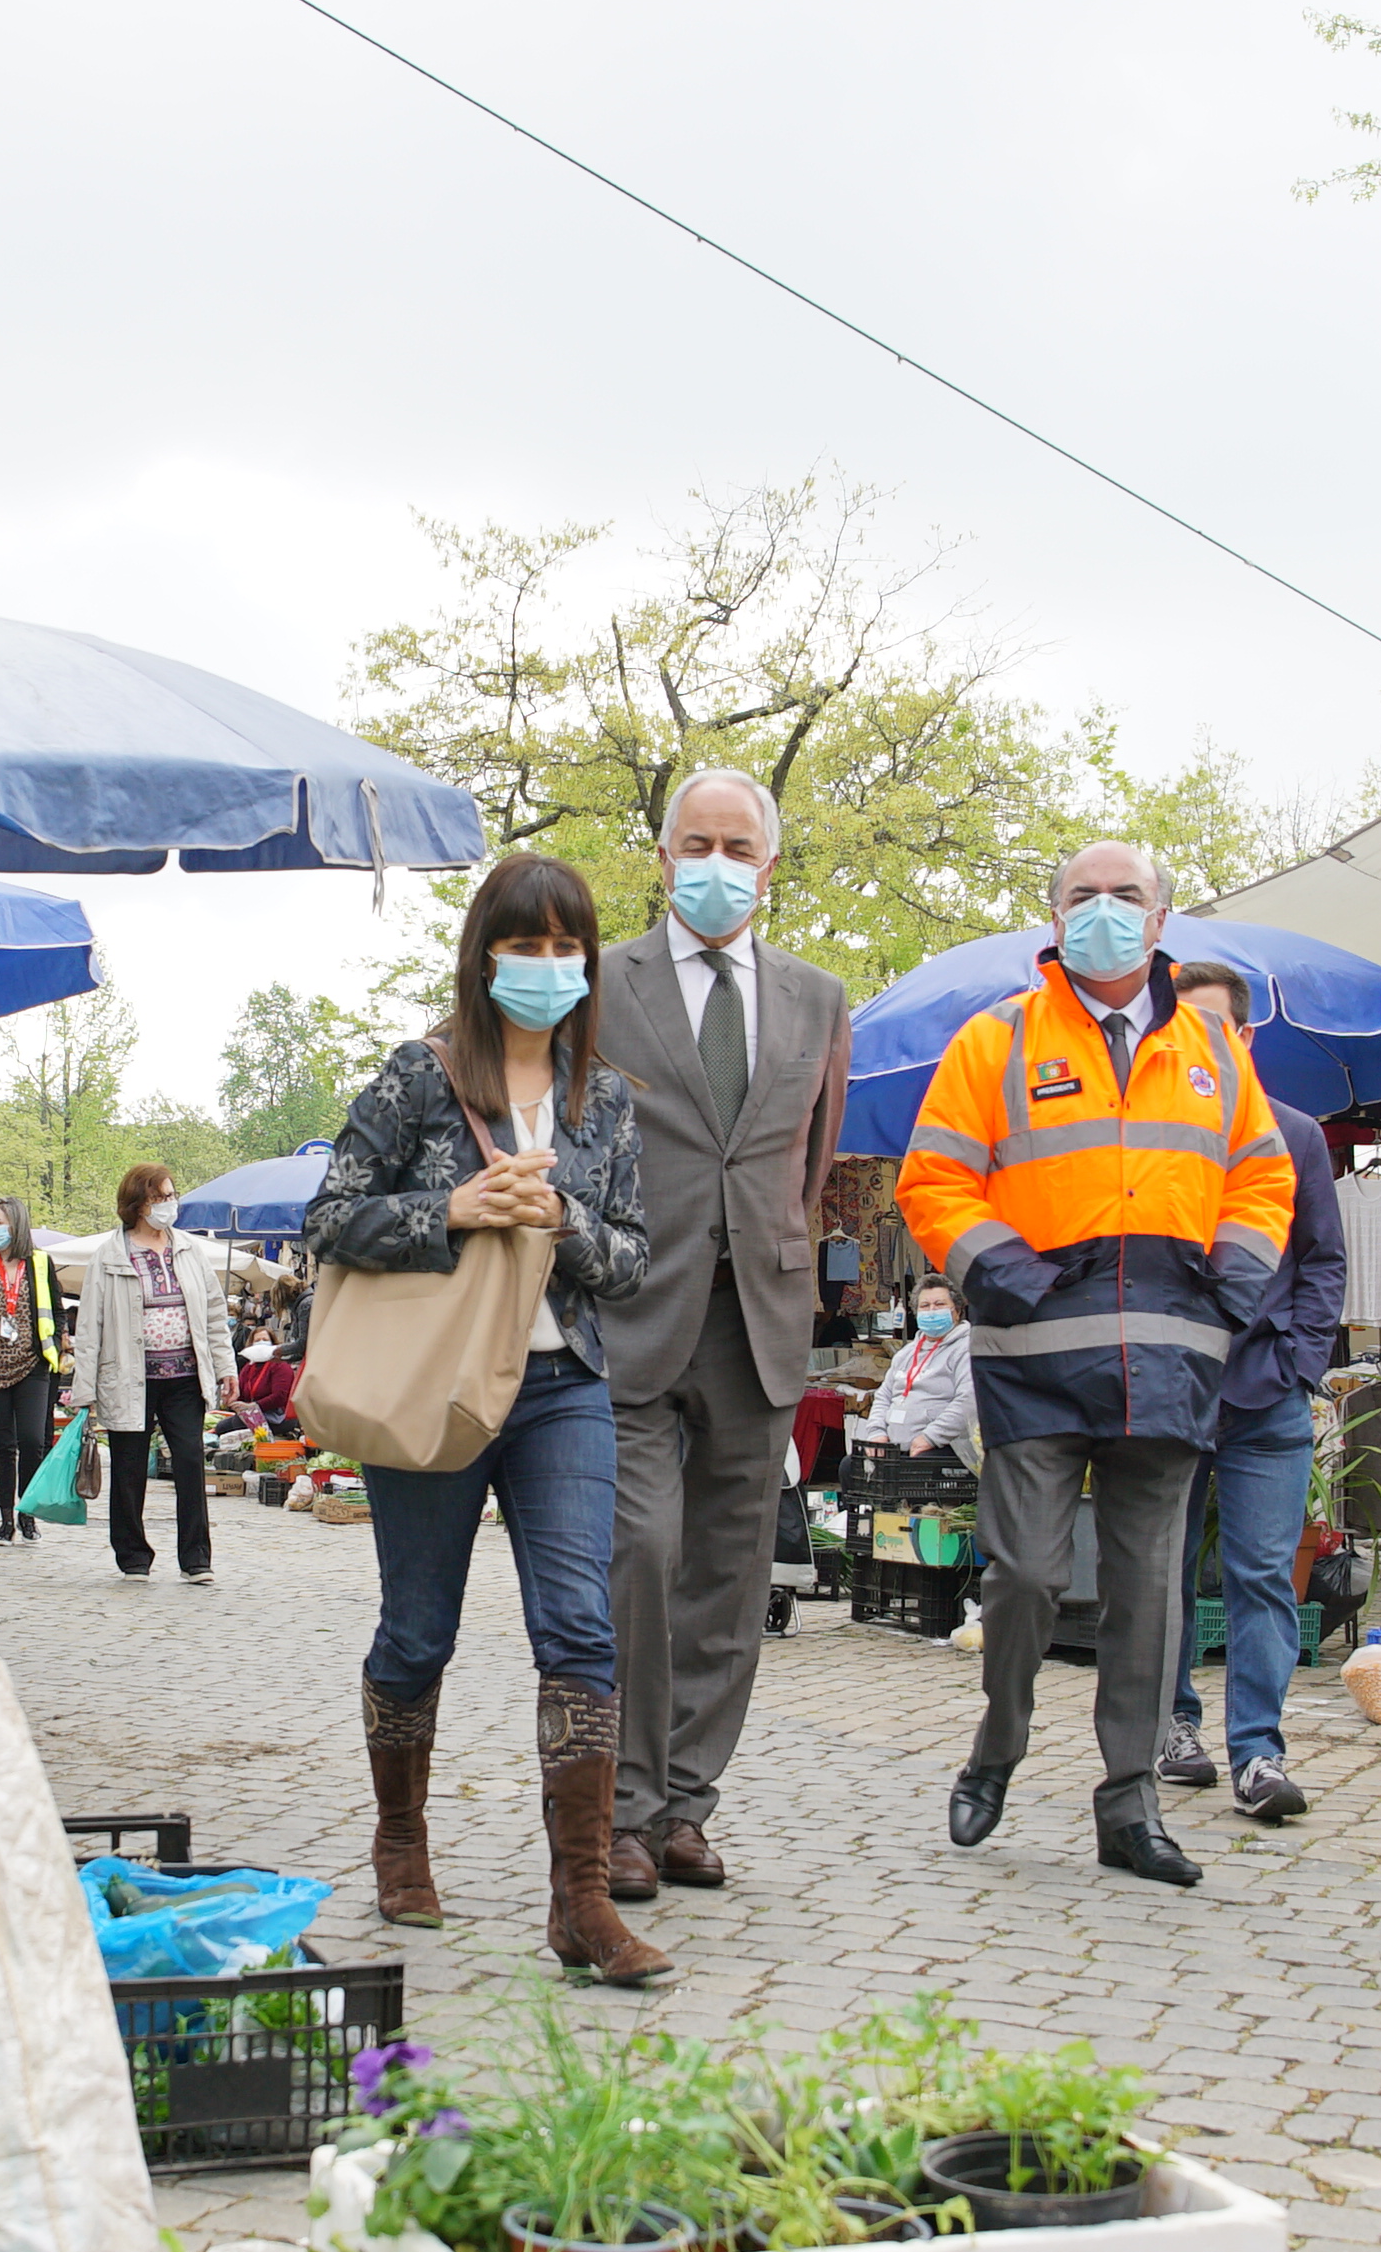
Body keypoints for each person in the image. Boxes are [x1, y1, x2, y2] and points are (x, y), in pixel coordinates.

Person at [901, 842, 1294, 1887]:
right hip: (1033, 1359)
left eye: (1127, 897)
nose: (1105, 912)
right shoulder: (997, 1040)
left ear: (1161, 923)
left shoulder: (1214, 1054)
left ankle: (1129, 1804)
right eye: (1085, 896)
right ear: (1054, 914)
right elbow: (932, 1181)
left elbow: (1264, 1181)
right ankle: (1000, 1741)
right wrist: (1012, 1279)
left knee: (1147, 1594)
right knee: (1026, 1574)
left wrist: (1232, 1291)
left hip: (1170, 1359)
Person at [309, 855, 666, 1983]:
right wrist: (451, 1210)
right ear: (485, 954)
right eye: (528, 945)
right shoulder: (417, 1077)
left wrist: (560, 1218)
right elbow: (327, 1217)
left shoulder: (603, 1096)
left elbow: (633, 1258)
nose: (549, 967)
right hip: (437, 1380)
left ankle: (581, 1903)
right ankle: (401, 1837)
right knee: (419, 1629)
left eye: (569, 949)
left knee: (580, 1628)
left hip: (562, 1389)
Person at [591, 769, 852, 1900]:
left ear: (769, 864)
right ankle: (623, 1809)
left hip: (759, 1319)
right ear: (660, 859)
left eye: (736, 847)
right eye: (693, 844)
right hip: (630, 1311)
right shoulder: (601, 984)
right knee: (637, 1554)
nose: (714, 864)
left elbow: (809, 1159)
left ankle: (688, 1804)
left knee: (731, 1576)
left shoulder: (817, 999)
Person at [1144, 961, 1346, 1826]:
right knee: (1163, 1576)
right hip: (1169, 1395)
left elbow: (1323, 1260)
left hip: (1267, 1395)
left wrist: (1300, 1361)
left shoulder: (1296, 1135)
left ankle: (1258, 1752)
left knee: (1263, 1576)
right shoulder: (1141, 1132)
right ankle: (1173, 1726)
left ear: (1246, 1037)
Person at [71, 1164, 238, 1586]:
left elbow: (214, 1316)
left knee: (188, 1462)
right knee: (128, 1469)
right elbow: (90, 1326)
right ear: (138, 1204)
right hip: (130, 1378)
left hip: (184, 1377)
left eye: (170, 1195)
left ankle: (196, 1557)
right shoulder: (110, 1256)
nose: (169, 1204)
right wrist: (83, 1390)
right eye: (159, 1197)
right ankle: (133, 1556)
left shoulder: (189, 1250)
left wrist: (225, 1367)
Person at [0, 1196, 62, 1542]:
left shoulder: (39, 1262)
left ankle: (28, 1511)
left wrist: (62, 1338)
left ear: (17, 1224)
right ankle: (6, 1518)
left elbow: (55, 1306)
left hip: (33, 1365)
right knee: (4, 1446)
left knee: (32, 1440)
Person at [843, 1271, 973, 1453]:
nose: (932, 1311)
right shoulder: (906, 1353)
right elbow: (883, 1396)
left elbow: (968, 1400)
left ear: (957, 1312)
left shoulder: (966, 1349)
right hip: (895, 1448)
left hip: (942, 1446)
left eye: (939, 1305)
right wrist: (876, 1433)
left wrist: (930, 1437)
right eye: (925, 1306)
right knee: (849, 1467)